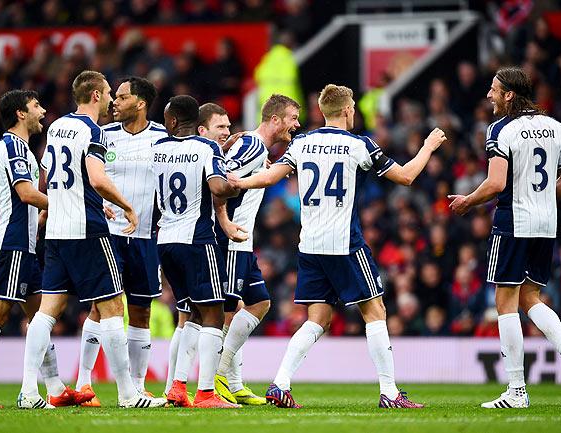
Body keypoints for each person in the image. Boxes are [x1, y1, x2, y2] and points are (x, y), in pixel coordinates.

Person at [228, 84, 446, 409]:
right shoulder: (358, 144)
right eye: (354, 107)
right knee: (375, 312)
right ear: (346, 110)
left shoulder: (302, 142)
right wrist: (428, 147)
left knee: (317, 318)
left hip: (310, 246)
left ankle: (280, 383)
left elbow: (271, 176)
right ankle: (389, 391)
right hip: (344, 244)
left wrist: (239, 181)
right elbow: (406, 177)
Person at [18, 70, 166, 409]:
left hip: (57, 230)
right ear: (96, 95)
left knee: (46, 312)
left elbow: (51, 176)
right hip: (89, 231)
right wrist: (125, 205)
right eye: (110, 92)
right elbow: (97, 179)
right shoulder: (94, 131)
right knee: (113, 309)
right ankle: (129, 394)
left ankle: (29, 390)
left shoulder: (55, 127)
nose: (113, 99)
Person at [449, 66, 561, 408]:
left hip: (513, 222)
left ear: (509, 94)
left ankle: (516, 390)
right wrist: (541, 200)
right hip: (546, 223)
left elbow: (496, 184)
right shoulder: (556, 126)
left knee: (504, 302)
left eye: (494, 90)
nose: (489, 95)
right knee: (530, 297)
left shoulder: (500, 129)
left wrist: (468, 201)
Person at [0, 90, 79, 408]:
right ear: (21, 114)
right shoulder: (15, 150)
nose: (43, 110)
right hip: (13, 246)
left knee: (41, 316)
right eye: (37, 106)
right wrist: (67, 206)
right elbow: (25, 192)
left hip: (17, 244)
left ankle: (54, 387)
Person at [198, 98, 301, 406]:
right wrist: (225, 221)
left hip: (242, 243)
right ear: (275, 120)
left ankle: (234, 382)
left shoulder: (256, 149)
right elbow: (221, 182)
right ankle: (216, 377)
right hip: (231, 241)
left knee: (258, 303)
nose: (296, 124)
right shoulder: (254, 146)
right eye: (292, 118)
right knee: (229, 311)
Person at [75, 76, 167, 406]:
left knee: (140, 312)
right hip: (108, 236)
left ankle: (138, 387)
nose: (115, 101)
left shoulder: (162, 138)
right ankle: (84, 384)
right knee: (100, 309)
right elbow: (87, 178)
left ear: (140, 104)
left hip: (144, 238)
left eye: (123, 96)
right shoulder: (102, 135)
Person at [153, 95, 240, 409]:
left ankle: (176, 386)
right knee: (214, 314)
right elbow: (218, 187)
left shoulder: (158, 149)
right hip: (197, 240)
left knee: (187, 313)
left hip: (166, 241)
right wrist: (238, 185)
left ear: (174, 121)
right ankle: (205, 393)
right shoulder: (206, 148)